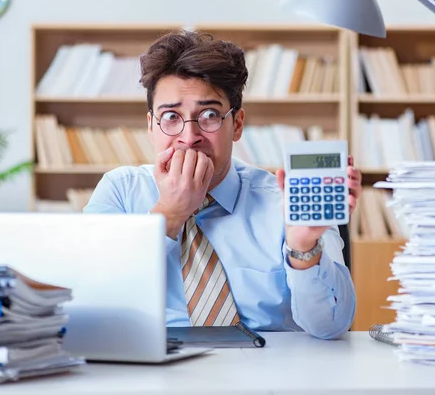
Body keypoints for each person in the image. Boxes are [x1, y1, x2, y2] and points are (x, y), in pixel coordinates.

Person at [83, 30, 362, 340]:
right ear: (151, 127)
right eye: (171, 116)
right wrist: (170, 214)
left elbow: (332, 328)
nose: (189, 137)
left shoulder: (282, 202)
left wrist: (303, 247)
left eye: (210, 115)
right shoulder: (120, 191)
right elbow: (89, 297)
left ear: (237, 124)